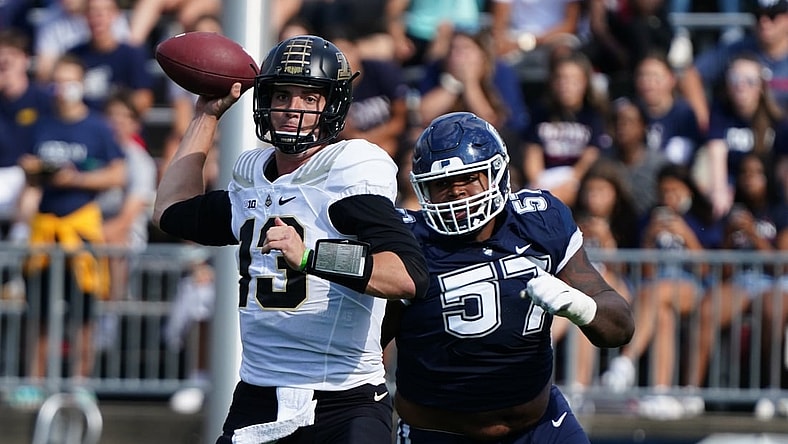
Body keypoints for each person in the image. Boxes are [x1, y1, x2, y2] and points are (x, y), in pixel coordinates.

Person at [152, 35, 428, 443]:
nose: (292, 109)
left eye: (309, 97)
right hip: (257, 394)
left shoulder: (347, 170)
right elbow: (170, 211)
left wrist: (313, 257)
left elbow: (406, 275)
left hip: (343, 398)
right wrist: (206, 117)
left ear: (330, 105)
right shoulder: (251, 175)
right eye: (282, 94)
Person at [389, 111, 634, 443]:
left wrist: (581, 307)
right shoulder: (407, 242)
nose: (456, 192)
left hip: (539, 426)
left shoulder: (538, 221)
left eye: (468, 178)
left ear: (497, 174)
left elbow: (619, 327)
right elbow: (365, 347)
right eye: (441, 184)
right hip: (438, 433)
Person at [12, 53, 126, 409]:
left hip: (81, 226)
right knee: (40, 311)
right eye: (58, 81)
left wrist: (75, 178)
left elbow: (117, 174)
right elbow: (29, 178)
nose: (64, 89)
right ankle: (34, 380)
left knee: (84, 313)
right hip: (45, 228)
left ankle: (81, 381)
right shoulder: (41, 125)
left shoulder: (96, 127)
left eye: (70, 80)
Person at [602, 163, 722, 420]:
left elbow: (705, 270)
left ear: (688, 191)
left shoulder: (702, 218)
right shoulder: (648, 219)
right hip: (654, 289)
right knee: (663, 314)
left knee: (656, 293)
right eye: (664, 191)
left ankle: (626, 362)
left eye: (675, 190)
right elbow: (644, 271)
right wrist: (649, 238)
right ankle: (660, 393)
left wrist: (686, 235)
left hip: (692, 287)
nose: (669, 197)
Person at [691, 153, 788, 388]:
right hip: (739, 282)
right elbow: (721, 270)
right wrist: (727, 238)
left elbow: (781, 265)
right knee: (708, 307)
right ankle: (689, 390)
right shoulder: (729, 215)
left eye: (756, 173)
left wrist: (754, 234)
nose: (749, 179)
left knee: (772, 309)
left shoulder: (781, 212)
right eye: (744, 173)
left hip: (772, 282)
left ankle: (771, 388)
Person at [700, 53, 788, 219]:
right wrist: (719, 191)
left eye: (749, 80)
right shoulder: (720, 111)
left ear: (761, 86)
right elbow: (716, 151)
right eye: (735, 78)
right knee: (703, 167)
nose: (741, 85)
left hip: (767, 185)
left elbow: (783, 164)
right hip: (732, 181)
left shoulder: (777, 119)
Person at [679, 0, 788, 132]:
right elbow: (690, 76)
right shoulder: (737, 49)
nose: (764, 22)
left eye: (772, 16)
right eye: (758, 16)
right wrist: (703, 119)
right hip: (739, 135)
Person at [522, 50, 609, 207]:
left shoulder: (594, 115)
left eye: (573, 80)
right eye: (561, 79)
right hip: (545, 178)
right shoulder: (540, 113)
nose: (566, 85)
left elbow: (591, 156)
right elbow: (532, 153)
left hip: (578, 180)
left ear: (585, 83)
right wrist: (537, 183)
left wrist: (572, 181)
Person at [66, 0, 154, 115]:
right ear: (84, 16)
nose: (97, 18)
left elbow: (144, 99)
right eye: (92, 11)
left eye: (104, 11)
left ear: (115, 15)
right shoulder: (74, 55)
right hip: (84, 126)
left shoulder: (131, 54)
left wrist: (118, 114)